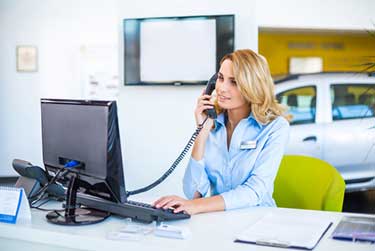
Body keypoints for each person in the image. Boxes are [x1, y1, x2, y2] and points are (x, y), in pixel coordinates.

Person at [153, 49, 290, 215]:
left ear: (252, 86)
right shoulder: (211, 122)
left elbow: (255, 190)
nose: (222, 88)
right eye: (220, 78)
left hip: (258, 220)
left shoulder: (275, 127)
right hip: (219, 220)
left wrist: (196, 206)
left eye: (234, 82)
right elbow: (193, 193)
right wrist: (202, 133)